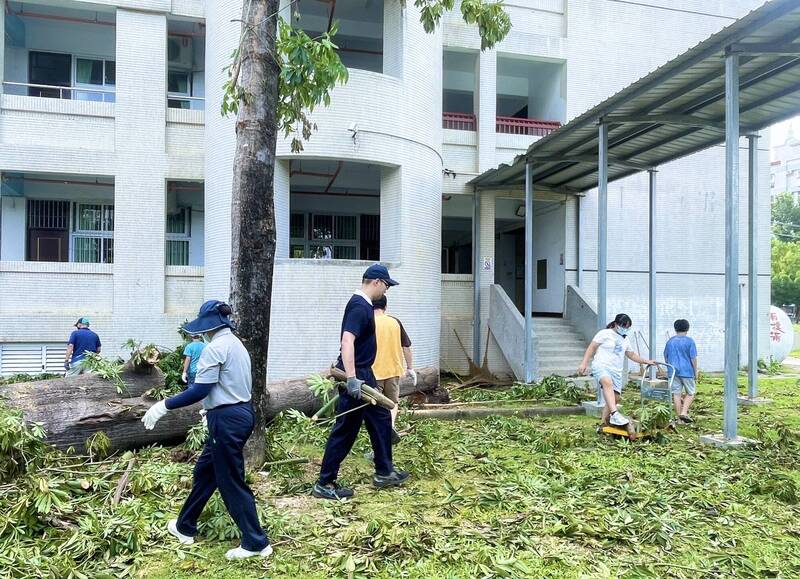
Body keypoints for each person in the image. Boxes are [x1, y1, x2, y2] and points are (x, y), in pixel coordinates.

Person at [142, 300, 271, 561]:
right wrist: (209, 412)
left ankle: (256, 542)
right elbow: (224, 386)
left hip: (227, 419)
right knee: (205, 472)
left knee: (230, 480)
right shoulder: (236, 344)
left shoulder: (216, 348)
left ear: (209, 325)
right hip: (237, 413)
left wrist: (164, 405)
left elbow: (200, 390)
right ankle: (184, 526)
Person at [312, 264, 410, 501]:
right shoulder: (359, 305)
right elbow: (348, 341)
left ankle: (385, 471)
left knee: (382, 419)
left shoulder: (364, 305)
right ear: (376, 282)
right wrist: (353, 377)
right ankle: (325, 482)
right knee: (346, 429)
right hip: (356, 376)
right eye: (386, 286)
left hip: (366, 373)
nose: (386, 291)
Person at [577, 313, 655, 426]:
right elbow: (592, 347)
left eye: (628, 327)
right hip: (601, 365)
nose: (625, 329)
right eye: (624, 326)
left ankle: (603, 423)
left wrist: (645, 361)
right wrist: (584, 363)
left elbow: (631, 355)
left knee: (615, 399)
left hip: (616, 371)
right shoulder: (604, 333)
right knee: (607, 383)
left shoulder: (625, 339)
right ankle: (615, 414)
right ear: (616, 324)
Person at [372, 295, 416, 441]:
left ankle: (380, 431)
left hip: (373, 371)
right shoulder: (395, 322)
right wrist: (410, 368)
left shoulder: (367, 322)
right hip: (393, 370)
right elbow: (406, 347)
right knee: (393, 402)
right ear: (385, 306)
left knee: (375, 404)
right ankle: (389, 426)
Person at [663, 318, 699, 423]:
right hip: (687, 371)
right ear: (687, 328)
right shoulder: (690, 341)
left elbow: (666, 357)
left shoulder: (670, 341)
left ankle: (679, 419)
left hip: (673, 371)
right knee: (691, 392)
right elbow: (693, 358)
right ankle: (684, 412)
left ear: (675, 328)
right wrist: (695, 371)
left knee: (676, 394)